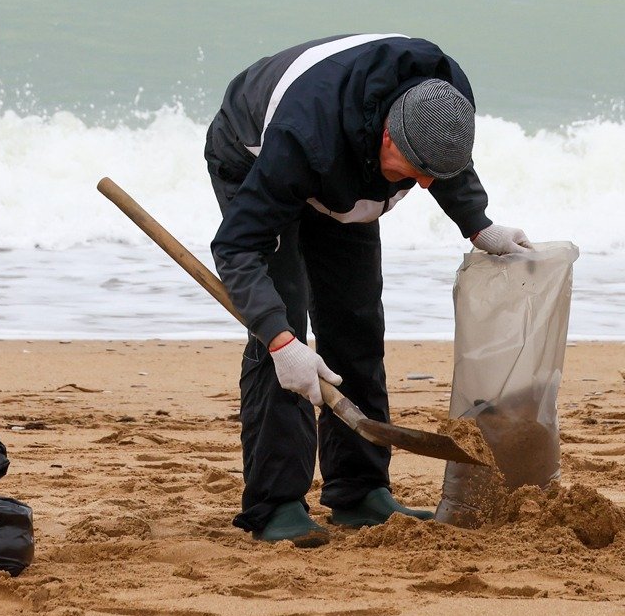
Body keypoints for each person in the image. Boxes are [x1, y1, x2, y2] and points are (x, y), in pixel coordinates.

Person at [204, 33, 530, 546]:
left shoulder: (439, 98)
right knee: (283, 320)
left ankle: (359, 493)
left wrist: (477, 224)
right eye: (415, 171)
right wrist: (279, 341)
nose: (423, 185)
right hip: (255, 154)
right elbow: (237, 248)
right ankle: (276, 505)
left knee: (355, 323)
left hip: (343, 168)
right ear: (387, 136)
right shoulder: (302, 137)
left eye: (430, 176)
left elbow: (443, 158)